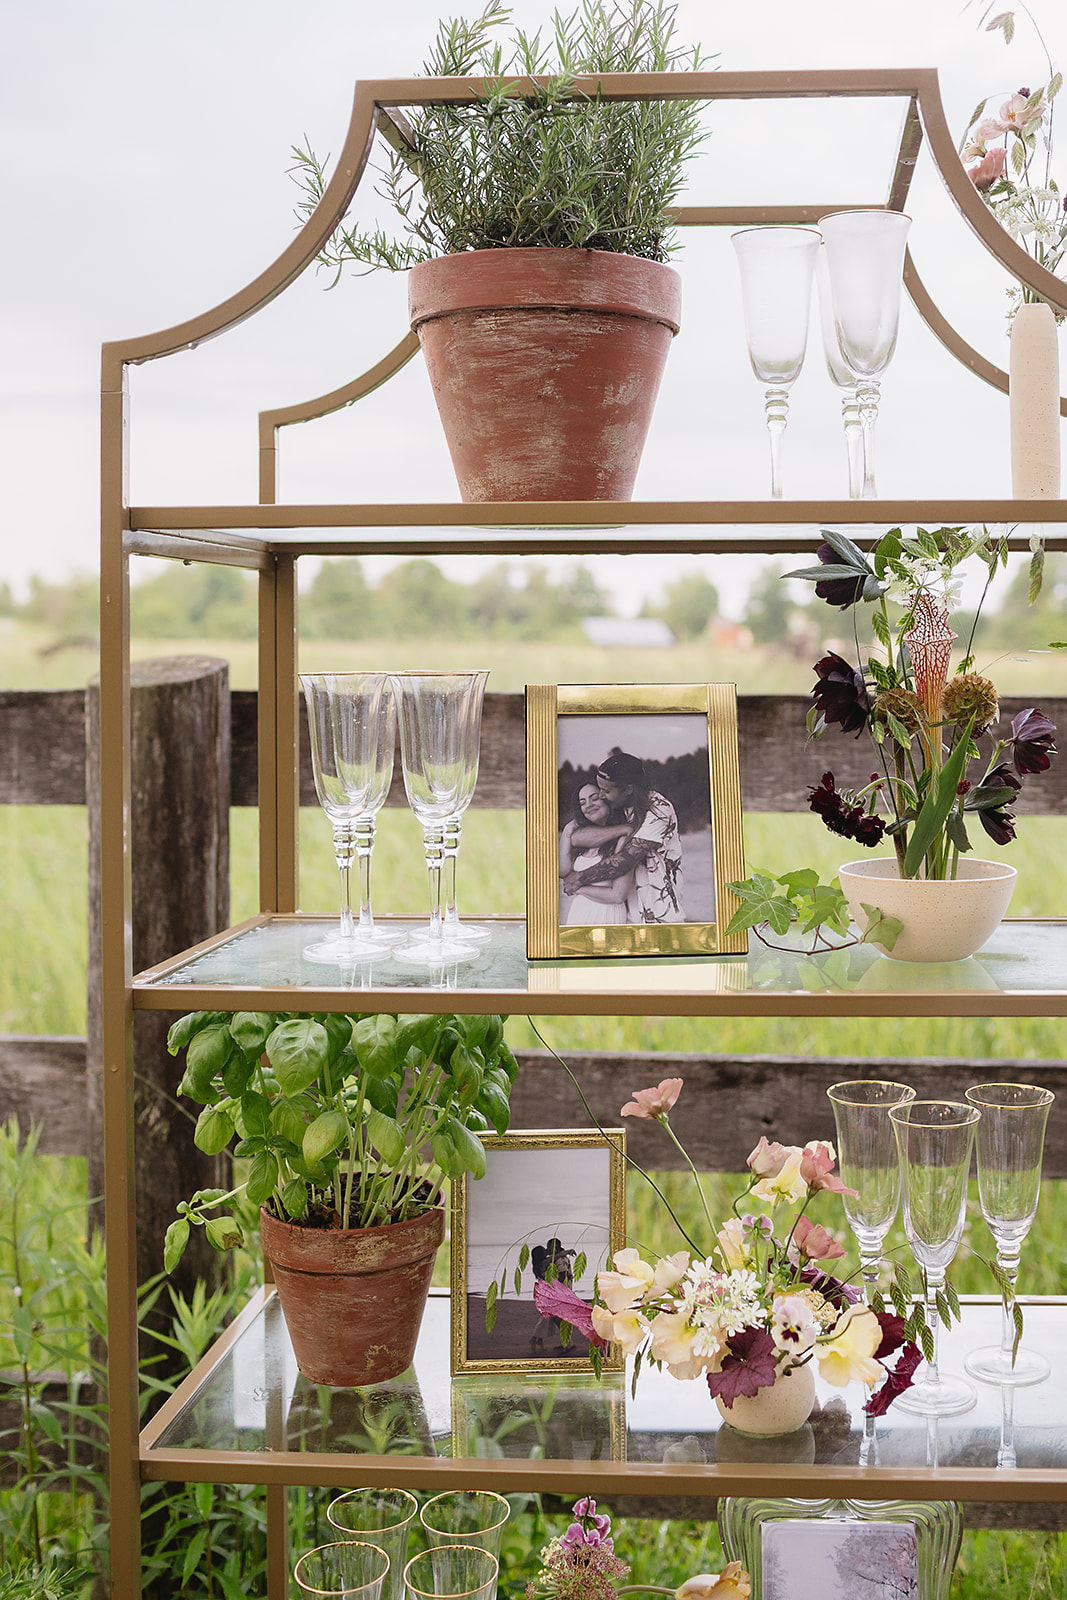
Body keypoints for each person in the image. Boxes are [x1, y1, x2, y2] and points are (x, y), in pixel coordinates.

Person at [561, 750, 685, 924]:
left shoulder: (658, 809)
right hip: (627, 916)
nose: (601, 795)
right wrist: (622, 829)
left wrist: (579, 879)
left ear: (628, 789)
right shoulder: (618, 807)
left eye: (606, 790)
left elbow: (625, 860)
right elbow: (577, 837)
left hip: (659, 914)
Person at [559, 783, 634, 925]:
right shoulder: (580, 839)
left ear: (607, 800)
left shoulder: (622, 838)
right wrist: (569, 828)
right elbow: (563, 871)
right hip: (579, 911)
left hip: (607, 914)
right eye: (582, 803)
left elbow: (618, 896)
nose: (588, 805)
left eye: (594, 798)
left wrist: (579, 887)